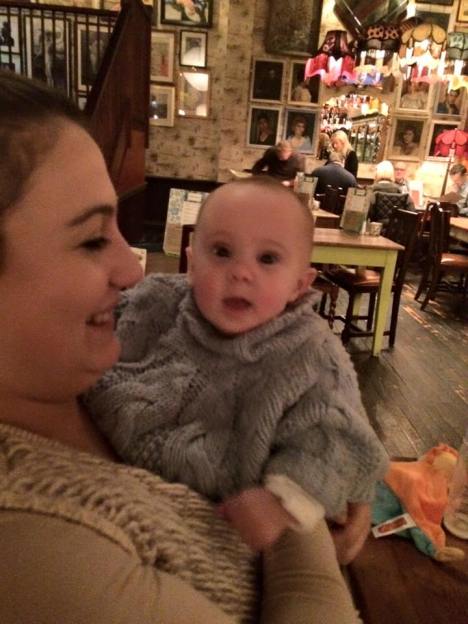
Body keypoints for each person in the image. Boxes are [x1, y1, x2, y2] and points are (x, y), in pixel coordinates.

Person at [0, 70, 362, 624]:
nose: (131, 270)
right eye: (92, 238)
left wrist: (321, 471)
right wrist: (303, 529)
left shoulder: (82, 367)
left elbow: (316, 423)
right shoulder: (37, 548)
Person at [85, 176, 389, 556]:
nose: (241, 272)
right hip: (112, 487)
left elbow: (337, 440)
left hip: (219, 525)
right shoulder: (156, 302)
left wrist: (283, 502)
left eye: (267, 259)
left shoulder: (311, 353)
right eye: (222, 251)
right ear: (192, 263)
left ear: (299, 285)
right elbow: (91, 333)